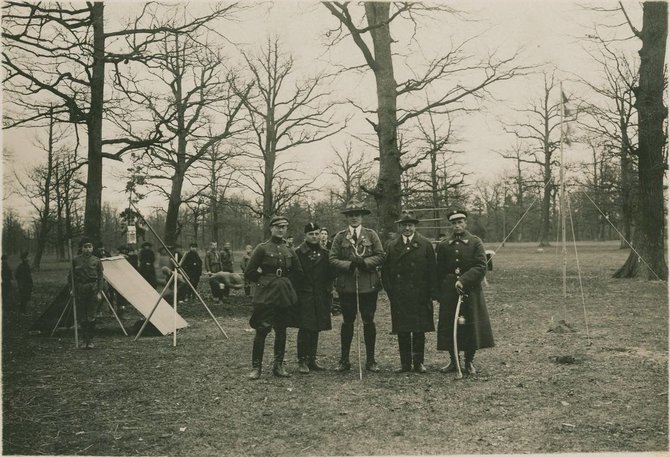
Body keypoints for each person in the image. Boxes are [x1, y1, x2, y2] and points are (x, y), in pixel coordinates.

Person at [329, 198, 385, 373]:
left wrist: (365, 262)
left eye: (357, 215)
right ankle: (344, 360)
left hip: (368, 285)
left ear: (362, 216)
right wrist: (349, 265)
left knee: (368, 321)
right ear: (347, 217)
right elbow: (332, 259)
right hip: (347, 286)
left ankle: (371, 360)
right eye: (351, 215)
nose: (354, 218)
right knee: (348, 321)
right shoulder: (339, 237)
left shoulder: (371, 235)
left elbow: (381, 255)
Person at [436, 210, 495, 376]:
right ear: (451, 225)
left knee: (469, 325)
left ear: (465, 223)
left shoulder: (475, 242)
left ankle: (469, 361)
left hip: (470, 291)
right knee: (450, 325)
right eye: (454, 223)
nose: (457, 225)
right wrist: (439, 291)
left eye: (460, 222)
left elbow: (481, 266)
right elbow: (438, 270)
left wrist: (464, 280)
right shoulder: (444, 244)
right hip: (449, 292)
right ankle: (454, 361)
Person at [244, 216, 302, 380]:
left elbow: (298, 271)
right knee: (262, 330)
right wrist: (264, 282)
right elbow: (250, 272)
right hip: (266, 295)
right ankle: (256, 367)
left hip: (283, 294)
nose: (281, 229)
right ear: (271, 228)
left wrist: (287, 283)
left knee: (281, 330)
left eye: (284, 227)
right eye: (277, 227)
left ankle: (278, 366)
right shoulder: (262, 248)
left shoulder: (289, 249)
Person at [382, 212, 437, 373]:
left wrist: (432, 292)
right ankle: (405, 363)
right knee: (403, 329)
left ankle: (418, 362)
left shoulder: (425, 244)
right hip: (400, 294)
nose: (407, 228)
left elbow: (432, 271)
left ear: (415, 226)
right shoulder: (392, 246)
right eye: (404, 225)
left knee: (419, 329)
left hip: (420, 294)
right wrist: (391, 291)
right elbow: (385, 272)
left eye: (410, 225)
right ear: (399, 226)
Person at [294, 222, 333, 374]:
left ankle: (312, 359)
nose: (315, 236)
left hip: (320, 295)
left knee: (316, 327)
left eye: (317, 233)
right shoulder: (298, 252)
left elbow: (330, 274)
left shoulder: (325, 253)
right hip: (304, 295)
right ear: (306, 236)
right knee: (305, 328)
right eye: (311, 234)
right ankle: (302, 360)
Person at [69, 237, 104, 349]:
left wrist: (99, 292)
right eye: (85, 247)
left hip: (93, 289)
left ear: (93, 248)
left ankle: (91, 340)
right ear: (81, 248)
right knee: (82, 316)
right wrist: (72, 289)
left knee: (91, 316)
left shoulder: (97, 260)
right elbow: (71, 277)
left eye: (90, 247)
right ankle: (84, 340)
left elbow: (100, 277)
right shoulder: (75, 260)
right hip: (80, 289)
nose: (88, 249)